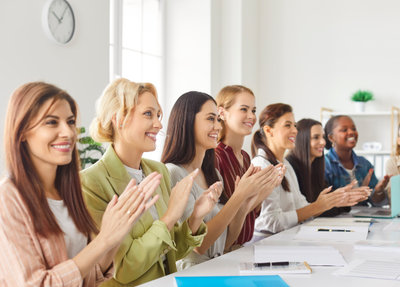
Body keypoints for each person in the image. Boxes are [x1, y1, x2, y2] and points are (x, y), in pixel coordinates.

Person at [0, 82, 159, 286]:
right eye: (51, 122)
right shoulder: (8, 199)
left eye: (70, 121)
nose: (68, 132)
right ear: (21, 132)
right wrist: (104, 239)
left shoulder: (68, 192)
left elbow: (90, 277)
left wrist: (116, 234)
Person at [81, 79, 218, 286]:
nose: (159, 124)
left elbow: (170, 253)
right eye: (148, 114)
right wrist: (170, 216)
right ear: (119, 118)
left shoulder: (157, 170)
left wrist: (195, 218)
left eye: (158, 115)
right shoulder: (90, 183)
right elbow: (124, 269)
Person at [162, 91, 280, 269]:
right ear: (187, 121)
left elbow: (226, 242)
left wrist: (246, 202)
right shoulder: (173, 173)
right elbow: (199, 246)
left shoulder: (213, 174)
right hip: (191, 273)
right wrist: (239, 196)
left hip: (218, 265)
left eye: (218, 119)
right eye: (210, 119)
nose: (217, 126)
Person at [251, 105, 369, 239]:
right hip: (267, 244)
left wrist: (333, 200)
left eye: (294, 125)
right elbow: (270, 222)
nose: (295, 130)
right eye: (288, 125)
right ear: (268, 130)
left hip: (287, 239)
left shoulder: (285, 164)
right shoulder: (261, 165)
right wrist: (319, 206)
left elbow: (302, 206)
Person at [215, 85, 282, 247]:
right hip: (221, 251)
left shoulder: (245, 158)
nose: (251, 116)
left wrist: (262, 192)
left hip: (242, 247)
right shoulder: (215, 157)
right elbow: (223, 216)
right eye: (244, 109)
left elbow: (248, 211)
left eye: (253, 110)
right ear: (222, 113)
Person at [286, 118, 370, 217]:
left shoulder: (315, 167)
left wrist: (344, 197)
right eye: (316, 137)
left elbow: (324, 207)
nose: (323, 142)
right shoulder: (290, 167)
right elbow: (309, 210)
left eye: (323, 137)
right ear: (301, 140)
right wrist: (334, 202)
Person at [324, 115, 389, 207]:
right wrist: (351, 195)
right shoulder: (325, 164)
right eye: (344, 130)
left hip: (362, 218)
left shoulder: (364, 164)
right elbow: (325, 203)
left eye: (353, 129)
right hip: (336, 218)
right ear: (331, 137)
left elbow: (375, 202)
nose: (351, 132)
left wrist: (378, 191)